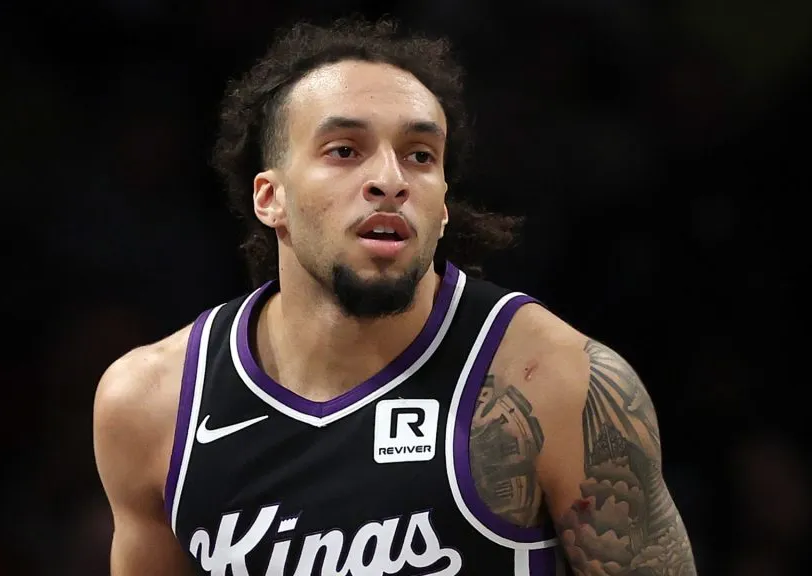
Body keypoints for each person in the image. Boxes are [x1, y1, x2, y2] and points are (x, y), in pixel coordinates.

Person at [92, 16, 698, 576]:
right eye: (345, 151)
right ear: (269, 198)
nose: (390, 179)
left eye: (420, 156)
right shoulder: (152, 403)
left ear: (441, 209)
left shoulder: (556, 382)